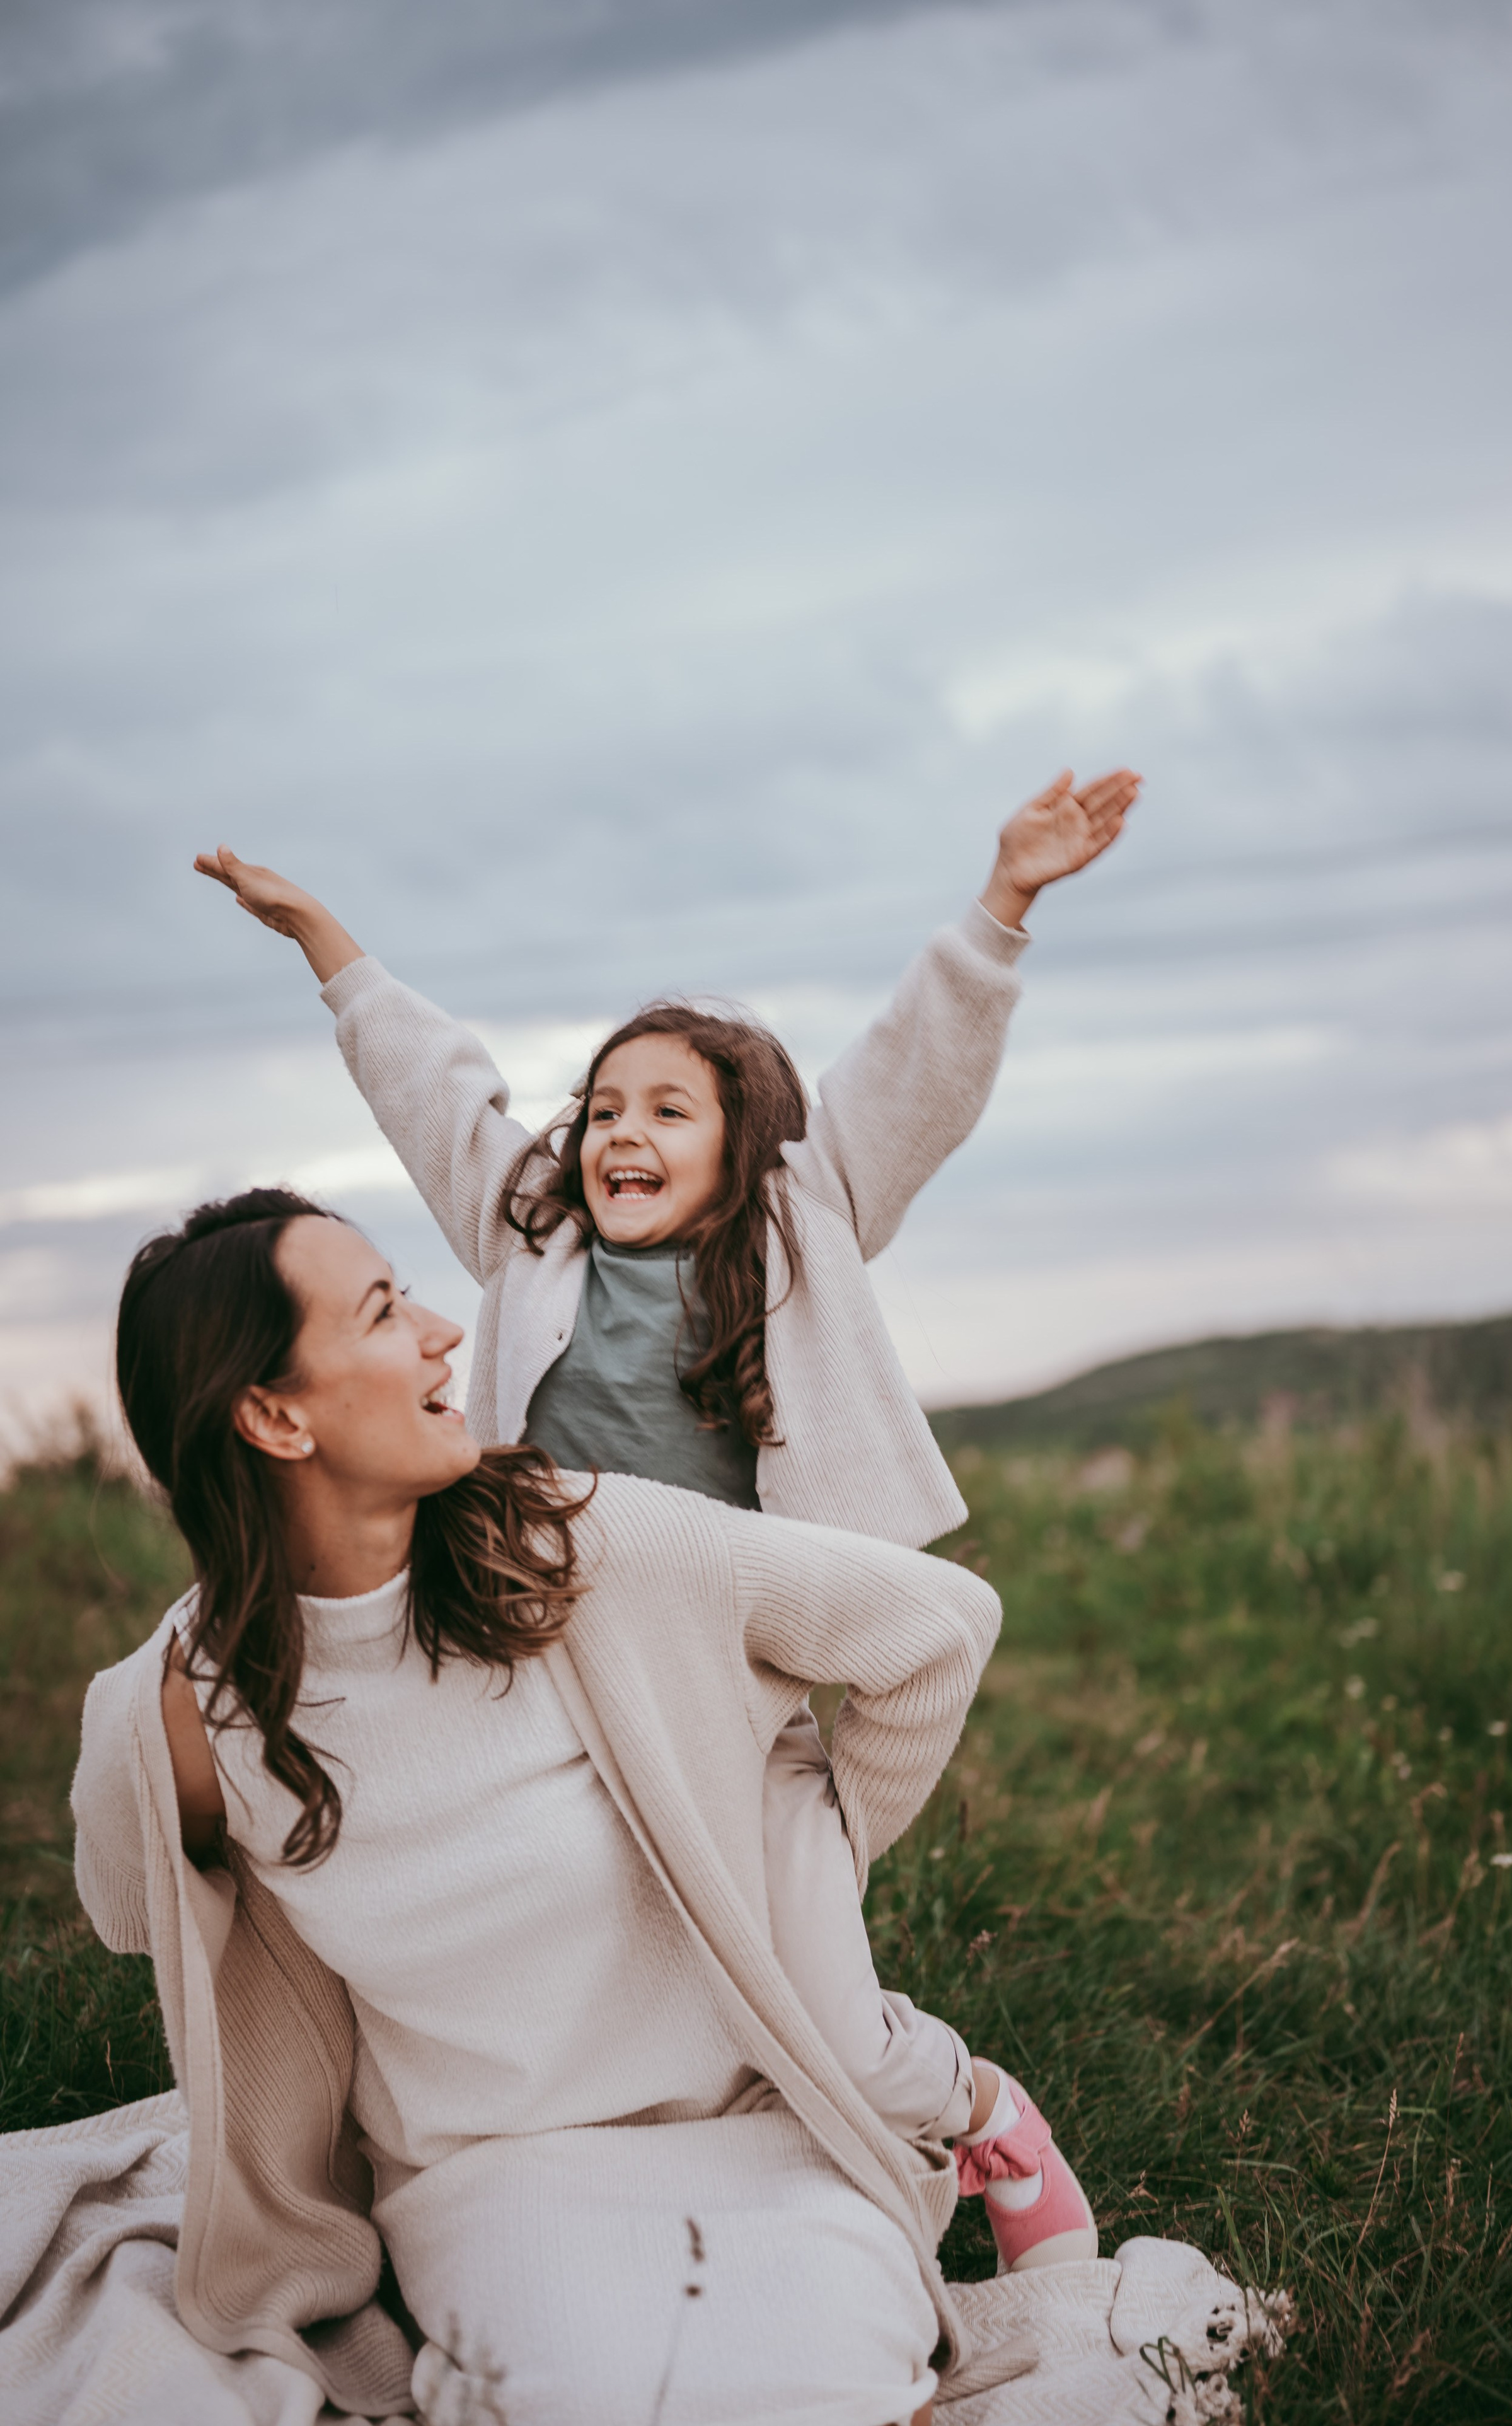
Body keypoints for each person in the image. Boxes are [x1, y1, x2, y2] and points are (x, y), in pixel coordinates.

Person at [195, 764, 1140, 2269]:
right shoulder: (526, 1228)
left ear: (742, 1137)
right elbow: (434, 1090)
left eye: (666, 1108)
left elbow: (913, 1073)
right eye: (603, 1107)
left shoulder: (800, 1216)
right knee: (601, 1955)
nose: (618, 1131)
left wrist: (1003, 902)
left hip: (739, 1696)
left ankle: (966, 2103)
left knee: (817, 1997)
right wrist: (328, 944)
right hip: (547, 1687)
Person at [74, 1189, 1010, 2422]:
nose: (440, 1330)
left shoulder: (579, 1550)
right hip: (489, 2179)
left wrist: (808, 1865)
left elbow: (935, 1631)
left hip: (756, 2125)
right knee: (593, 2396)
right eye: (379, 1311)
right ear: (271, 1413)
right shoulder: (178, 1711)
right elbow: (135, 1914)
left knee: (836, 2385)